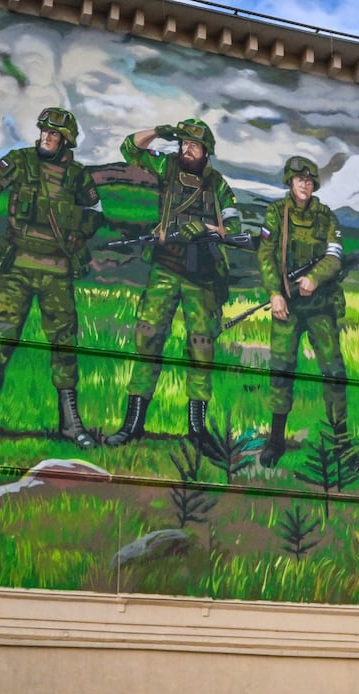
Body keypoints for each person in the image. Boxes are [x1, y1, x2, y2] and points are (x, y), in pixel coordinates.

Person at [0, 107, 103, 453]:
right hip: (17, 266)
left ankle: (71, 423)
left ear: (66, 142)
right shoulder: (22, 162)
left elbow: (94, 212)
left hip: (57, 270)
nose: (46, 138)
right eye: (44, 131)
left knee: (64, 345)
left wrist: (78, 233)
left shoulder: (77, 176)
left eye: (54, 135)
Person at [105, 119, 241, 450]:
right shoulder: (166, 167)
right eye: (182, 144)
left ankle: (197, 430)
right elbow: (129, 148)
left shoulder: (217, 184)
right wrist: (157, 131)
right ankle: (133, 424)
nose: (185, 149)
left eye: (193, 145)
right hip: (165, 268)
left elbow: (234, 225)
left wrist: (205, 228)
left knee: (200, 348)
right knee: (148, 339)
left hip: (202, 276)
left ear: (206, 150)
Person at [256, 156, 347, 466]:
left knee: (334, 372)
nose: (304, 184)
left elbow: (335, 257)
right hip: (287, 305)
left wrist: (314, 277)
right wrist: (274, 293)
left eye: (309, 180)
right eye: (299, 180)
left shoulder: (326, 217)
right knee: (281, 371)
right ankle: (276, 441)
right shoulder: (275, 214)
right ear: (290, 182)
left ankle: (340, 441)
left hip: (320, 305)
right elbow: (266, 255)